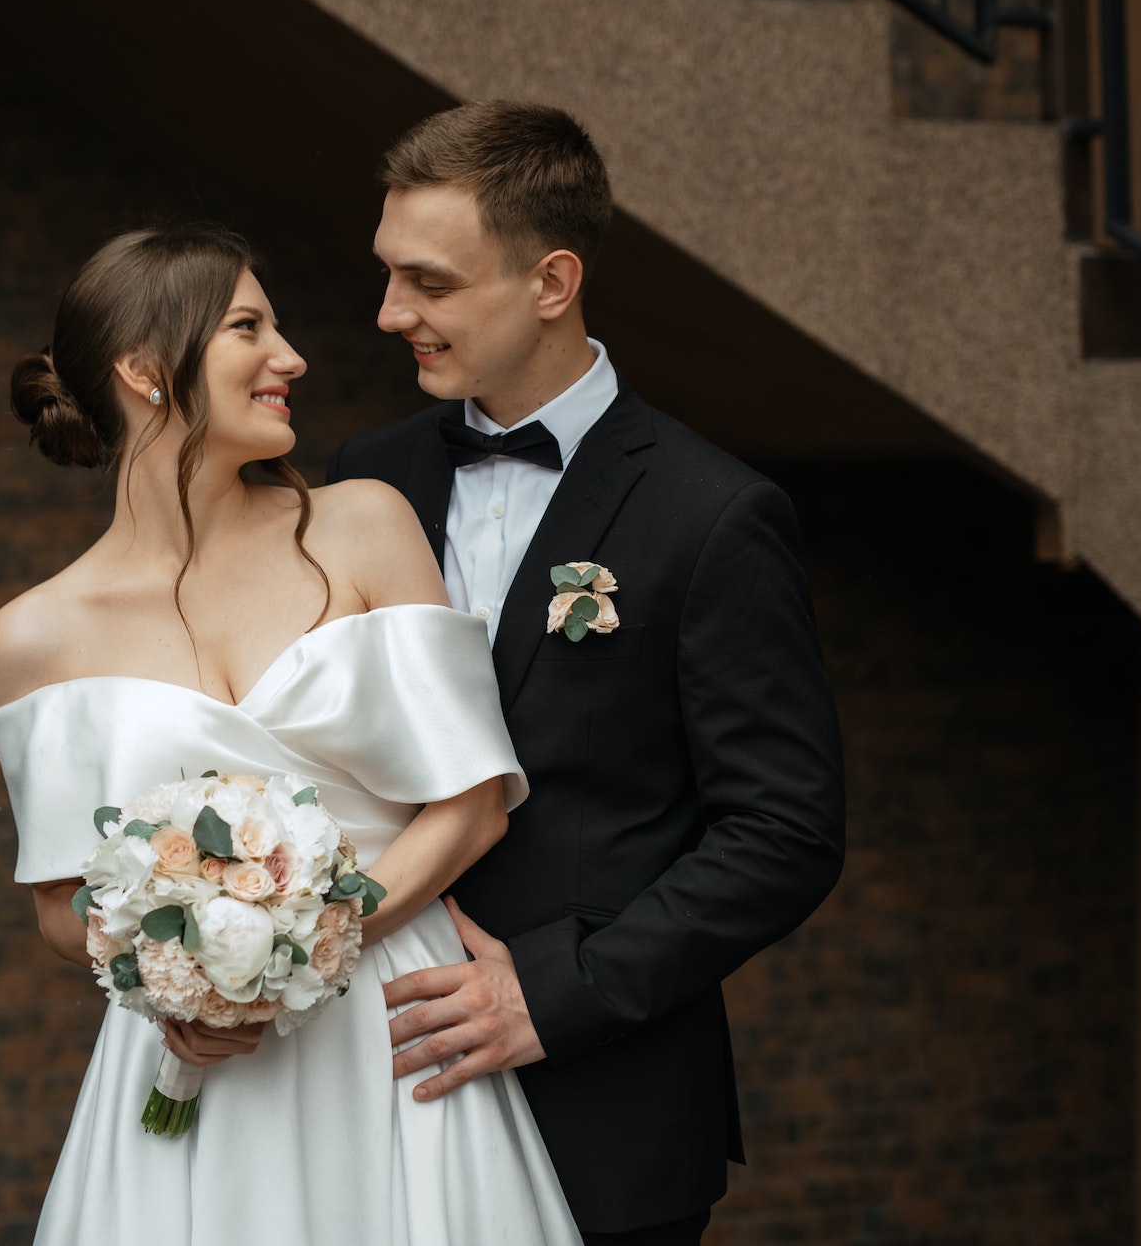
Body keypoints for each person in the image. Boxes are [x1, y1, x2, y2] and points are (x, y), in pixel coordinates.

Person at [0, 224, 581, 1244]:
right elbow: (56, 905)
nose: (290, 356)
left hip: (394, 1027)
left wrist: (293, 951)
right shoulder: (35, 632)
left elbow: (474, 803)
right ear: (142, 369)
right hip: (199, 1057)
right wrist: (187, 986)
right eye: (248, 327)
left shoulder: (361, 525)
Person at [326, 101, 846, 1246]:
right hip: (364, 1082)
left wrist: (555, 992)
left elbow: (784, 831)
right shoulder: (365, 478)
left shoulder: (713, 516)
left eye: (429, 283)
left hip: (598, 1111)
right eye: (387, 276)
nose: (388, 314)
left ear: (551, 281)